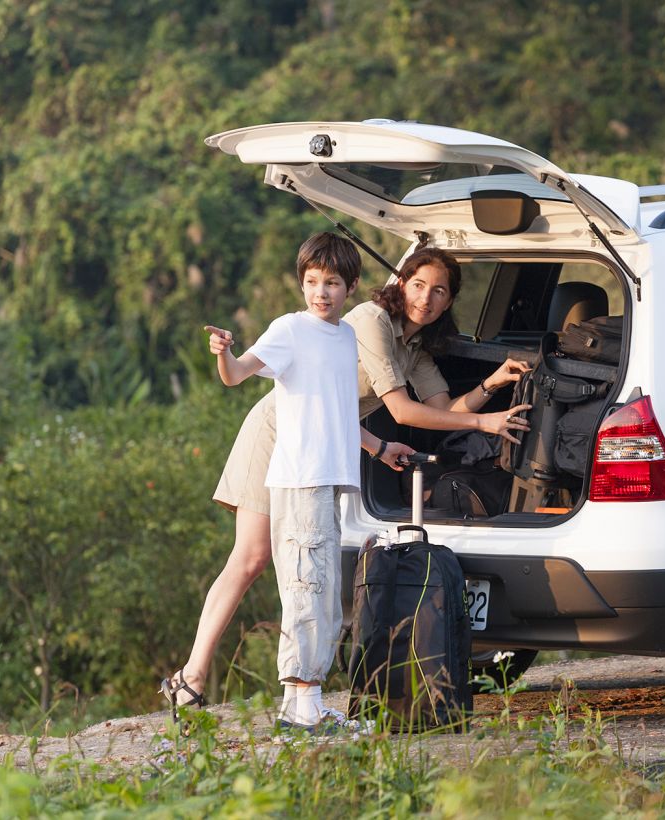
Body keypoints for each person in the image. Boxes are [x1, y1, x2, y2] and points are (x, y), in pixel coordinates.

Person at [161, 245, 531, 718]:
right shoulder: (370, 322)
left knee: (275, 562)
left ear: (449, 300)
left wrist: (494, 384)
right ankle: (198, 679)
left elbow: (440, 413)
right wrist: (488, 424)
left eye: (439, 291)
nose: (426, 298)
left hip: (328, 437)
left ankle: (209, 684)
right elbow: (399, 410)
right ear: (400, 283)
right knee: (252, 557)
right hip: (280, 430)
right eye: (418, 284)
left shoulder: (413, 348)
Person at [199, 232, 369, 732]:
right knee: (305, 587)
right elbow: (236, 375)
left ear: (351, 286)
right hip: (299, 479)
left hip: (331, 480)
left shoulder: (346, 337)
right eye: (312, 281)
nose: (321, 292)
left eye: (333, 283)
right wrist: (223, 353)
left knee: (323, 590)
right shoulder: (290, 329)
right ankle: (300, 710)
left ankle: (308, 702)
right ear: (301, 284)